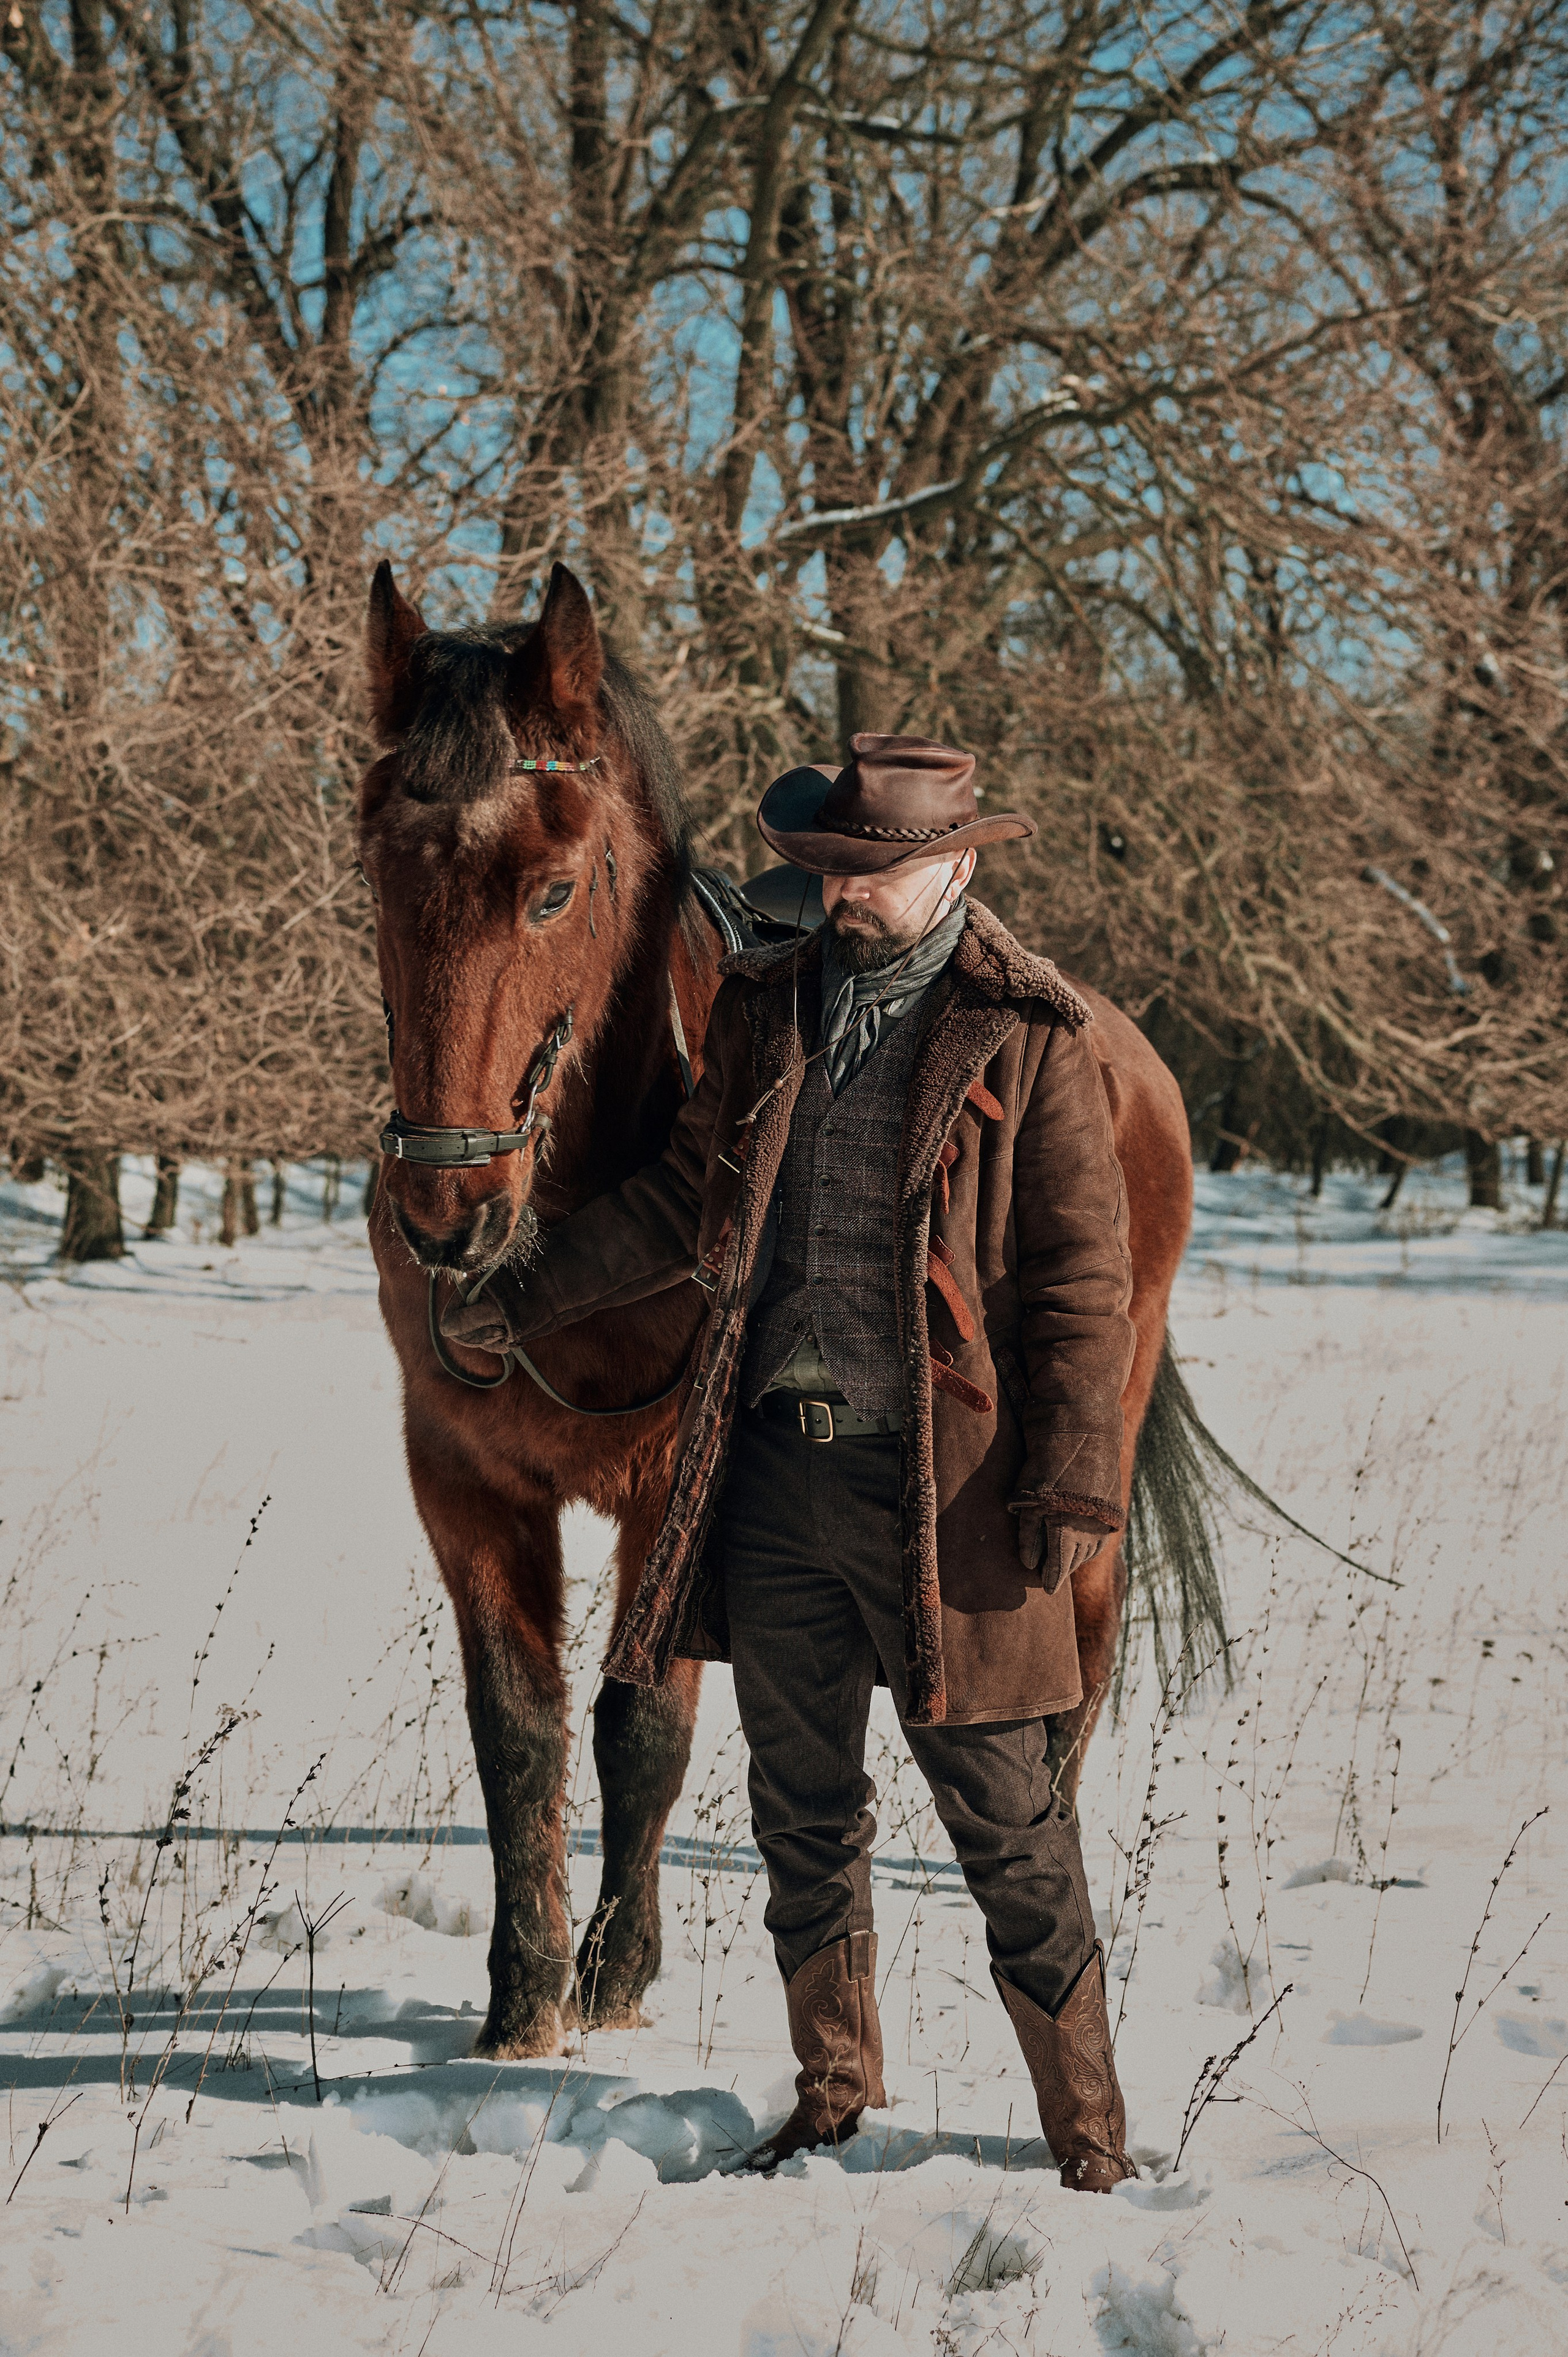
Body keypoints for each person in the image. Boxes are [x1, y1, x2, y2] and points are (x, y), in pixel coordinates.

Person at [443, 735, 1137, 2190]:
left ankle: (1086, 2137)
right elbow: (679, 1200)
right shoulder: (769, 1008)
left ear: (955, 867)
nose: (842, 897)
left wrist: (1073, 1477)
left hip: (948, 1493)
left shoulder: (1029, 1032)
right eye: (827, 871)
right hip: (774, 1483)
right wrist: (527, 1295)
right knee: (799, 1813)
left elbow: (1084, 1280)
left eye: (872, 874)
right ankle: (832, 2100)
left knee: (1010, 1824)